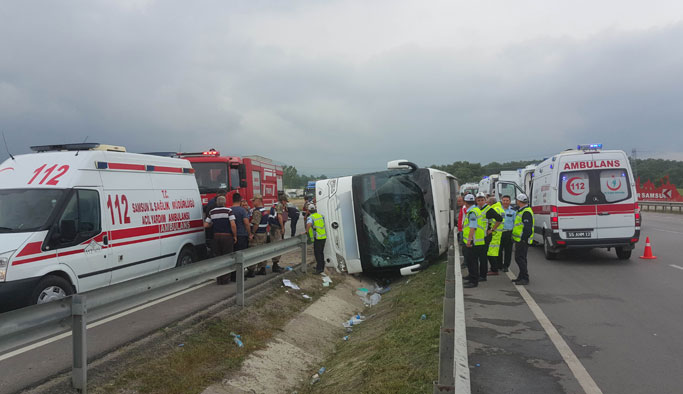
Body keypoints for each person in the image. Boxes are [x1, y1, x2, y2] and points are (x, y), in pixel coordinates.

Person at [204, 195, 236, 285]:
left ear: (217, 203)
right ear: (225, 202)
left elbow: (206, 225)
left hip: (216, 237)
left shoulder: (212, 212)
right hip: (227, 236)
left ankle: (219, 279)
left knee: (218, 257)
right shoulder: (229, 211)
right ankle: (225, 279)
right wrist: (235, 235)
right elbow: (233, 225)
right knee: (227, 257)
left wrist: (213, 225)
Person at [462, 194, 486, 288]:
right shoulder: (476, 210)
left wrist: (469, 240)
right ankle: (472, 277)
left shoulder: (472, 212)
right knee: (473, 261)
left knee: (472, 262)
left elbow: (473, 226)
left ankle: (473, 281)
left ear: (465, 203)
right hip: (478, 240)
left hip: (473, 241)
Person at [511, 193, 534, 285]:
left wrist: (523, 239)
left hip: (522, 240)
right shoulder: (521, 210)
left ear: (519, 201)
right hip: (519, 239)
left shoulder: (526, 212)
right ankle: (521, 276)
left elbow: (527, 228)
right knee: (521, 258)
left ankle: (525, 277)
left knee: (520, 258)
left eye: (517, 200)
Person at [247, 194, 269, 277]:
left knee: (253, 251)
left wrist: (252, 233)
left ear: (258, 201)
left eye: (253, 200)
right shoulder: (264, 210)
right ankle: (262, 268)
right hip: (263, 233)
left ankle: (251, 270)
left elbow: (256, 224)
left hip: (257, 234)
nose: (252, 202)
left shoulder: (257, 211)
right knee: (262, 251)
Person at [204, 189, 227, 256]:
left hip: (213, 231)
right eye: (224, 195)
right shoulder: (214, 204)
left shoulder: (211, 201)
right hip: (214, 230)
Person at [485, 196, 505, 275]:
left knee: (490, 252)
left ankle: (494, 269)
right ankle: (496, 268)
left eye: (487, 203)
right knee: (495, 252)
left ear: (490, 203)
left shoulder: (493, 209)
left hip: (494, 233)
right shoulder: (500, 209)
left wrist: (492, 229)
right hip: (499, 232)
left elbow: (498, 220)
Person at [306, 204, 327, 274]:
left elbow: (309, 224)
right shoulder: (320, 215)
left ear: (309, 211)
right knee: (321, 253)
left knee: (317, 253)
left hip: (318, 237)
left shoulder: (311, 217)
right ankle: (321, 267)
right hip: (323, 236)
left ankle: (319, 269)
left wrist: (306, 231)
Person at [268, 197, 286, 272]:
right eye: (285, 201)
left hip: (272, 227)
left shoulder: (274, 205)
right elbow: (279, 217)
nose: (286, 203)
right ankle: (275, 265)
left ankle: (275, 264)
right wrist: (282, 228)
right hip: (276, 228)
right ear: (283, 201)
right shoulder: (279, 205)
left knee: (275, 245)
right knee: (278, 246)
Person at [500, 195, 516, 272]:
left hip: (508, 232)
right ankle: (499, 265)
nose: (505, 202)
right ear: (501, 201)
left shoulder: (513, 211)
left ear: (510, 201)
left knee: (508, 251)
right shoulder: (498, 210)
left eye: (507, 200)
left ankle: (506, 266)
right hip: (499, 233)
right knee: (498, 250)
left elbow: (515, 222)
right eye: (504, 200)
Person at [456, 195, 467, 269]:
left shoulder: (464, 208)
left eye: (460, 201)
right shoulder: (462, 208)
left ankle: (465, 262)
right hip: (461, 229)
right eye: (458, 201)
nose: (458, 202)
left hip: (463, 230)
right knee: (464, 248)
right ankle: (465, 262)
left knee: (465, 248)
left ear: (464, 201)